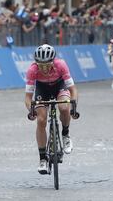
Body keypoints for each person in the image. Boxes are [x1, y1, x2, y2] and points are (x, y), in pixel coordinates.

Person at [25, 44, 78, 174]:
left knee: (64, 107)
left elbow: (73, 89)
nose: (43, 68)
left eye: (47, 64)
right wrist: (31, 111)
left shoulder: (61, 65)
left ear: (53, 61)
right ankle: (42, 158)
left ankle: (65, 135)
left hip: (59, 86)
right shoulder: (32, 70)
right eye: (40, 64)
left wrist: (74, 107)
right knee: (41, 120)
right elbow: (27, 97)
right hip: (42, 89)